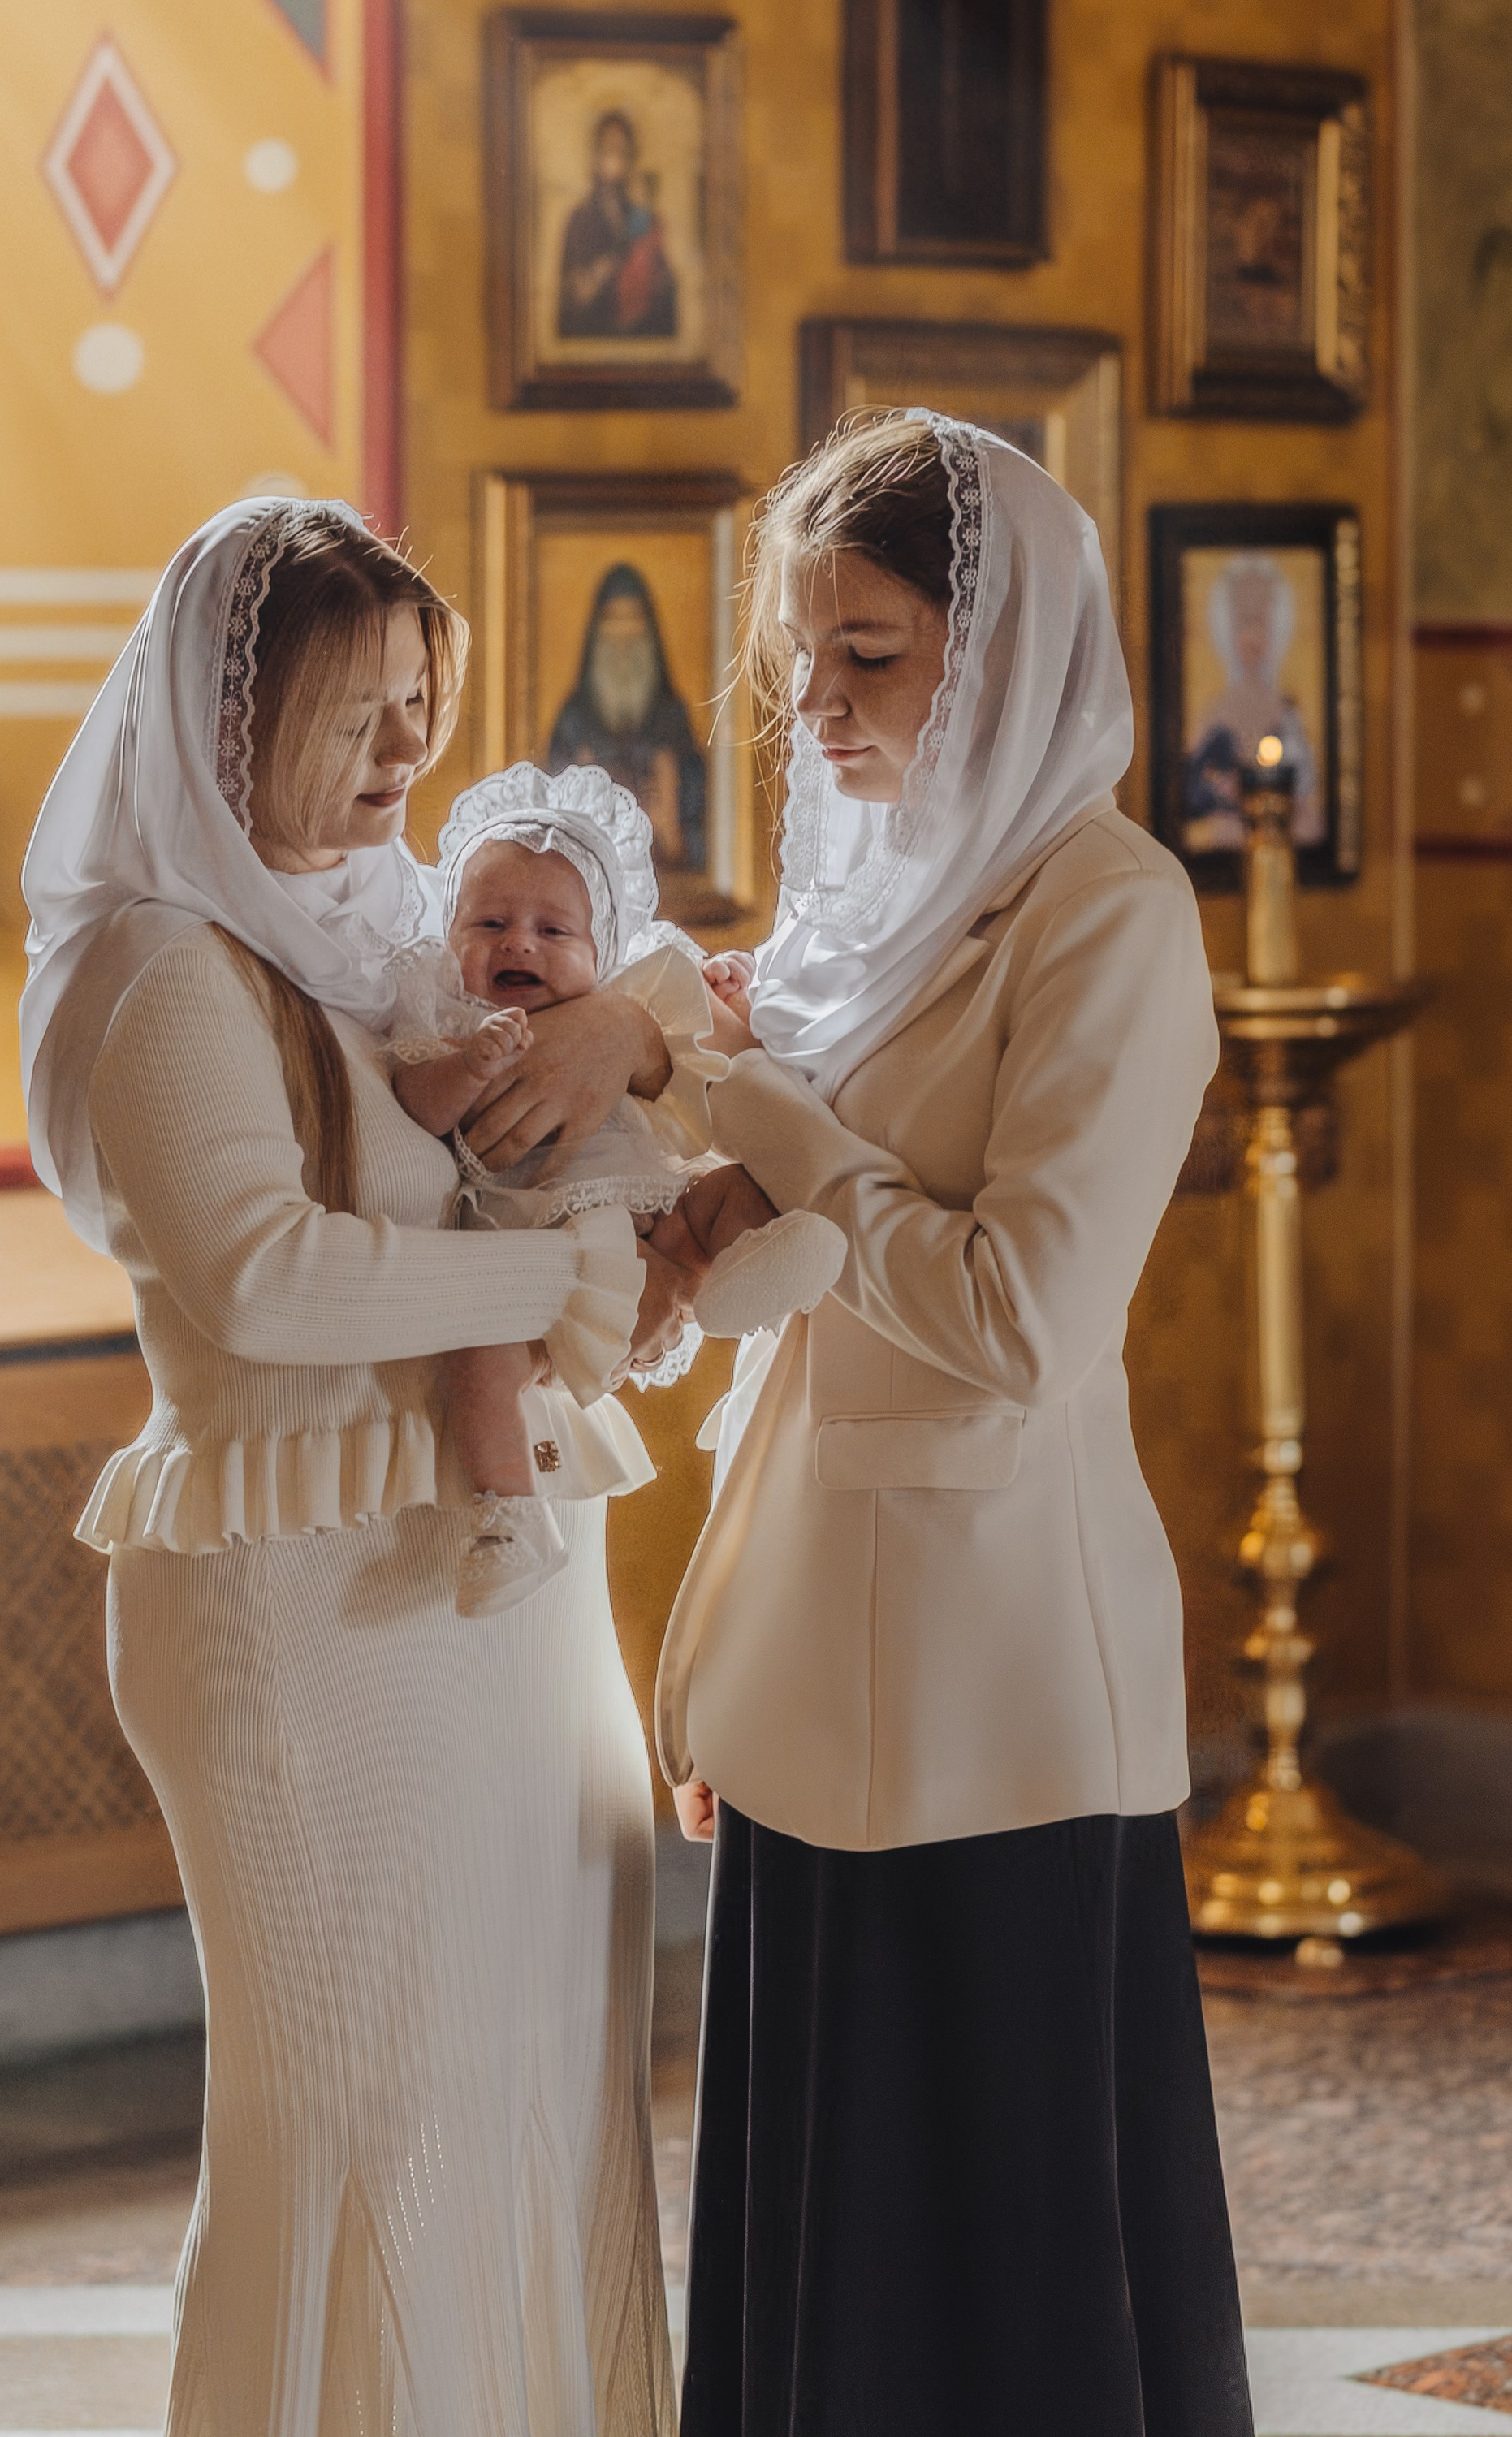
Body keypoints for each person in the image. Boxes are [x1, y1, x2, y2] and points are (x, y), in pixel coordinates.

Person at [20, 499, 696, 2437]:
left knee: (536, 2075)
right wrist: (561, 1279)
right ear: (229, 720)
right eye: (356, 710)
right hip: (310, 1589)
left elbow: (634, 1009)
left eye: (420, 699)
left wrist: (626, 1044)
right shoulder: (161, 967)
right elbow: (263, 1276)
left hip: (483, 1579)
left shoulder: (393, 932)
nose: (406, 748)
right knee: (366, 2108)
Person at [655, 411, 1254, 2437]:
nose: (814, 706)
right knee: (821, 2276)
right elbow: (806, 1271)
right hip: (812, 1662)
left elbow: (1016, 1315)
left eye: (869, 653)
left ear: (993, 652)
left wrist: (758, 1115)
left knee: (991, 2301)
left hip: (994, 1697)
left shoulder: (1109, 911)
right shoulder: (864, 912)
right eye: (796, 657)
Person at [387, 761, 845, 1617]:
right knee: (481, 1364)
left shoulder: (627, 1006)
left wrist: (720, 993)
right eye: (489, 922)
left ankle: (750, 1270)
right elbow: (417, 1103)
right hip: (542, 1266)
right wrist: (467, 1067)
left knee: (733, 1192)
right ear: (447, 938)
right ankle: (510, 1516)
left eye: (554, 930)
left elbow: (711, 1062)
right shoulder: (450, 1028)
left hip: (660, 1219)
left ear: (604, 951)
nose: (520, 943)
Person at [546, 563, 708, 871]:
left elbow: (702, 840)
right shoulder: (573, 721)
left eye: (633, 618)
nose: (622, 636)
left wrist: (671, 828)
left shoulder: (673, 721)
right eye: (612, 619)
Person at [1182, 550, 1323, 846]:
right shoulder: (1216, 713)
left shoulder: (1287, 712)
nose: (1253, 637)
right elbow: (1193, 792)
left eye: (1262, 621)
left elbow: (1305, 792)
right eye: (1244, 622)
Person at [556, 107, 678, 340]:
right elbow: (572, 300)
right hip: (594, 337)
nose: (616, 160)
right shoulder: (580, 219)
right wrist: (607, 267)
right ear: (596, 156)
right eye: (609, 150)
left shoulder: (643, 218)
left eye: (623, 151)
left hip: (640, 336)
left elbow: (663, 289)